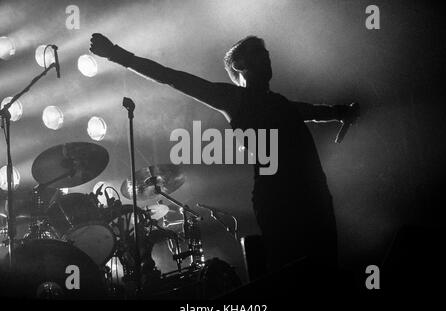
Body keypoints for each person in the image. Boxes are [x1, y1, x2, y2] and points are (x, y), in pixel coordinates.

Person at [89, 34, 359, 277]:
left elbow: (309, 111)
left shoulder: (279, 102)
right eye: (260, 55)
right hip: (280, 197)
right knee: (294, 273)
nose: (268, 59)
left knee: (325, 270)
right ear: (240, 65)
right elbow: (171, 77)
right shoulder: (234, 98)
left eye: (267, 55)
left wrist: (339, 112)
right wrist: (116, 54)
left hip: (313, 193)